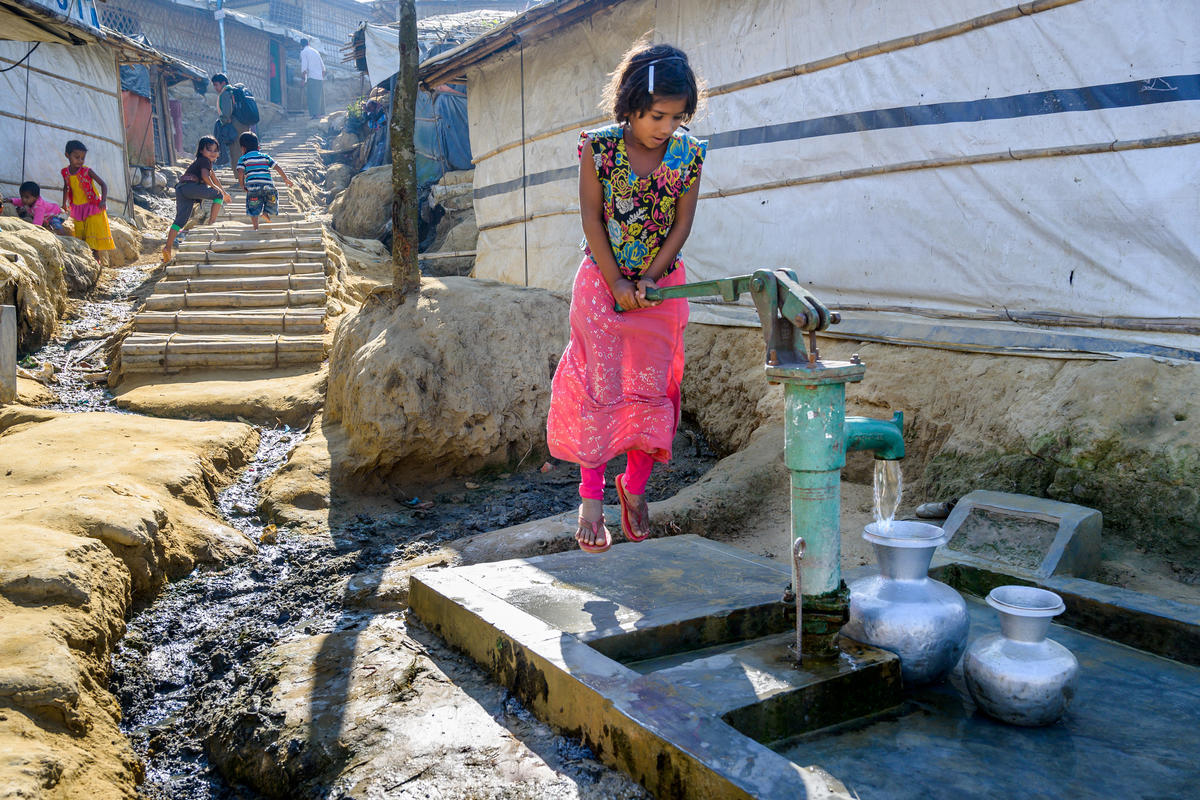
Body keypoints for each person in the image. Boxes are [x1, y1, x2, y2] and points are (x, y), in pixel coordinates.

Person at [545, 42, 706, 554]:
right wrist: (617, 282)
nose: (665, 127)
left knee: (654, 389)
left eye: (676, 117)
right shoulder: (599, 148)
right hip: (600, 285)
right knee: (600, 387)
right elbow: (591, 217)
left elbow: (681, 224)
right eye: (657, 115)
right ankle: (590, 500)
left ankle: (633, 491)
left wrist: (649, 281)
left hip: (661, 288)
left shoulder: (689, 154)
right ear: (631, 102)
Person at [163, 136, 231, 261]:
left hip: (182, 189)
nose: (213, 153)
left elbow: (214, 178)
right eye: (209, 150)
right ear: (201, 151)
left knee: (180, 221)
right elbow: (206, 177)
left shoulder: (202, 162)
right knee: (217, 195)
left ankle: (167, 248)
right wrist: (220, 192)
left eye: (215, 150)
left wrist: (224, 192)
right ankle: (212, 222)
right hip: (190, 188)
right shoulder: (204, 161)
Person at [60, 140, 115, 264]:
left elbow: (103, 184)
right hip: (78, 208)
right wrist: (64, 203)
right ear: (67, 155)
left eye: (83, 158)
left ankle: (96, 261)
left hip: (92, 207)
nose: (80, 161)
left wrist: (103, 201)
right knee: (81, 235)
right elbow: (66, 187)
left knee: (92, 236)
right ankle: (86, 261)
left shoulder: (87, 171)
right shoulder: (65, 172)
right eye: (77, 157)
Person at [235, 131, 293, 230]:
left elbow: (240, 173)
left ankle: (255, 227)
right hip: (268, 186)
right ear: (258, 147)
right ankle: (266, 213)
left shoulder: (243, 158)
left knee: (253, 207)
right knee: (271, 200)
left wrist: (242, 185)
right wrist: (285, 179)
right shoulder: (265, 156)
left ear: (243, 148)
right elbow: (277, 167)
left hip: (253, 188)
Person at [211, 73, 251, 166]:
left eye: (216, 85)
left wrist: (223, 122)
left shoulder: (225, 93)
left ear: (223, 83)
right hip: (244, 123)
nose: (215, 88)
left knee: (236, 152)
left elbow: (226, 113)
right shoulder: (233, 92)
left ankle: (240, 177)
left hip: (235, 125)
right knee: (244, 149)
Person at [3, 181, 68, 234]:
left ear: (36, 197)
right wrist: (11, 200)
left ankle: (63, 236)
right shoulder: (28, 201)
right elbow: (19, 201)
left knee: (56, 225)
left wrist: (34, 230)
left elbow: (37, 223)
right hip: (46, 216)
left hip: (55, 214)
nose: (23, 199)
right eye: (22, 196)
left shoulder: (39, 207)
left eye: (26, 197)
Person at [299, 39, 325, 119]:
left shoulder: (304, 52)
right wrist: (321, 77)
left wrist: (303, 80)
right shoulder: (316, 51)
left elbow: (304, 68)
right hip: (319, 77)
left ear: (301, 46)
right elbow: (323, 68)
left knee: (312, 97)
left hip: (312, 77)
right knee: (319, 96)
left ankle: (315, 115)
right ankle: (321, 114)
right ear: (308, 44)